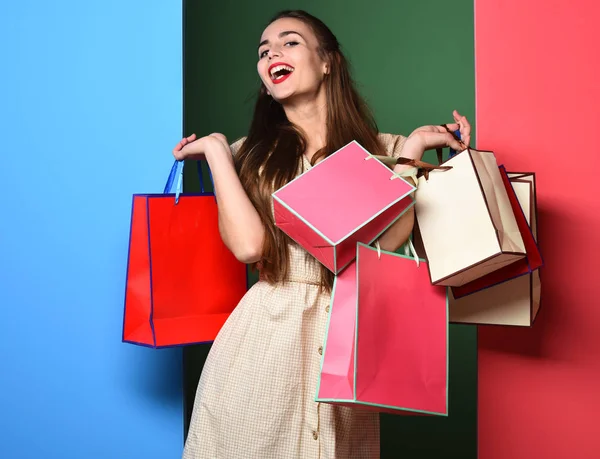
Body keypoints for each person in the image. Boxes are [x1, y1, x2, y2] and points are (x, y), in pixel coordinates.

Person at [173, 9, 470, 459]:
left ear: (327, 61)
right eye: (263, 50)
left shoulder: (382, 151)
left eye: (289, 41)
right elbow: (249, 246)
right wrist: (216, 152)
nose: (271, 51)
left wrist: (410, 155)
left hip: (346, 347)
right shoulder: (245, 155)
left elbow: (384, 248)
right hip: (261, 348)